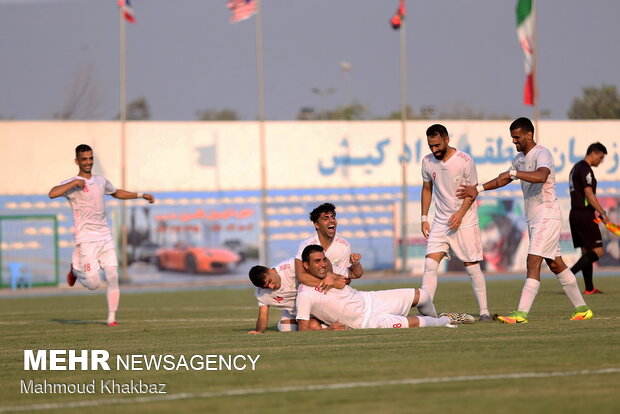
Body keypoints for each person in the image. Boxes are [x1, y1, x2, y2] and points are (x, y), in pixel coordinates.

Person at [457, 117, 593, 323]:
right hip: (534, 218)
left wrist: (514, 173)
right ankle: (582, 309)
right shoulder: (519, 159)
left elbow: (541, 176)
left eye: (517, 137)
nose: (514, 141)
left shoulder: (542, 153)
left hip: (547, 214)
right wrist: (477, 189)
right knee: (556, 264)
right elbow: (503, 178)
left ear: (529, 135)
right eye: (512, 137)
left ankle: (521, 314)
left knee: (532, 262)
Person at [48, 144, 155, 326]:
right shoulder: (72, 183)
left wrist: (140, 194)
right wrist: (74, 183)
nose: (88, 162)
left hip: (105, 237)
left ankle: (111, 319)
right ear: (77, 161)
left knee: (113, 276)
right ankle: (75, 270)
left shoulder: (100, 180)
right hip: (86, 240)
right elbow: (52, 193)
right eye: (84, 159)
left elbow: (116, 193)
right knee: (93, 284)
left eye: (90, 158)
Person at [295, 245, 475, 331]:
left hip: (371, 299)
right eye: (317, 261)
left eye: (323, 259)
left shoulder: (330, 271)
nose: (322, 264)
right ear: (305, 265)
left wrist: (347, 268)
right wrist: (328, 331)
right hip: (367, 322)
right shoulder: (305, 294)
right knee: (415, 323)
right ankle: (446, 321)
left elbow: (352, 276)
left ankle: (437, 318)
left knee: (423, 295)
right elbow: (303, 331)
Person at [420, 124, 491, 321]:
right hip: (441, 221)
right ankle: (427, 311)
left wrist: (460, 214)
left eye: (437, 145)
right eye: (430, 146)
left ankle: (484, 311)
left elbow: (472, 192)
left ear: (446, 139)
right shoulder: (427, 162)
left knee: (471, 266)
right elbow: (427, 189)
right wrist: (424, 218)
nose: (434, 150)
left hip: (465, 220)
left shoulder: (465, 161)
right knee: (430, 264)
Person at [568, 142, 609, 295]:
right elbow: (589, 193)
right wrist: (602, 213)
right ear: (593, 153)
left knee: (587, 252)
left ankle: (589, 288)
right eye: (601, 157)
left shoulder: (575, 168)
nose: (601, 161)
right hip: (585, 214)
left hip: (575, 213)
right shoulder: (586, 169)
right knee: (598, 251)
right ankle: (568, 275)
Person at [294, 203, 363, 290]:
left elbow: (346, 279)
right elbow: (301, 276)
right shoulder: (306, 244)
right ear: (316, 225)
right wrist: (331, 280)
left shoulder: (344, 245)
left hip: (333, 294)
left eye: (333, 217)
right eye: (325, 218)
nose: (331, 220)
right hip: (311, 291)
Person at [247, 258, 300, 333]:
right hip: (293, 310)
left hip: (313, 302)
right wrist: (259, 331)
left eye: (270, 281)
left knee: (311, 326)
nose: (271, 287)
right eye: (266, 287)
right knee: (287, 329)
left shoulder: (291, 266)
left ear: (271, 270)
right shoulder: (261, 293)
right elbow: (263, 315)